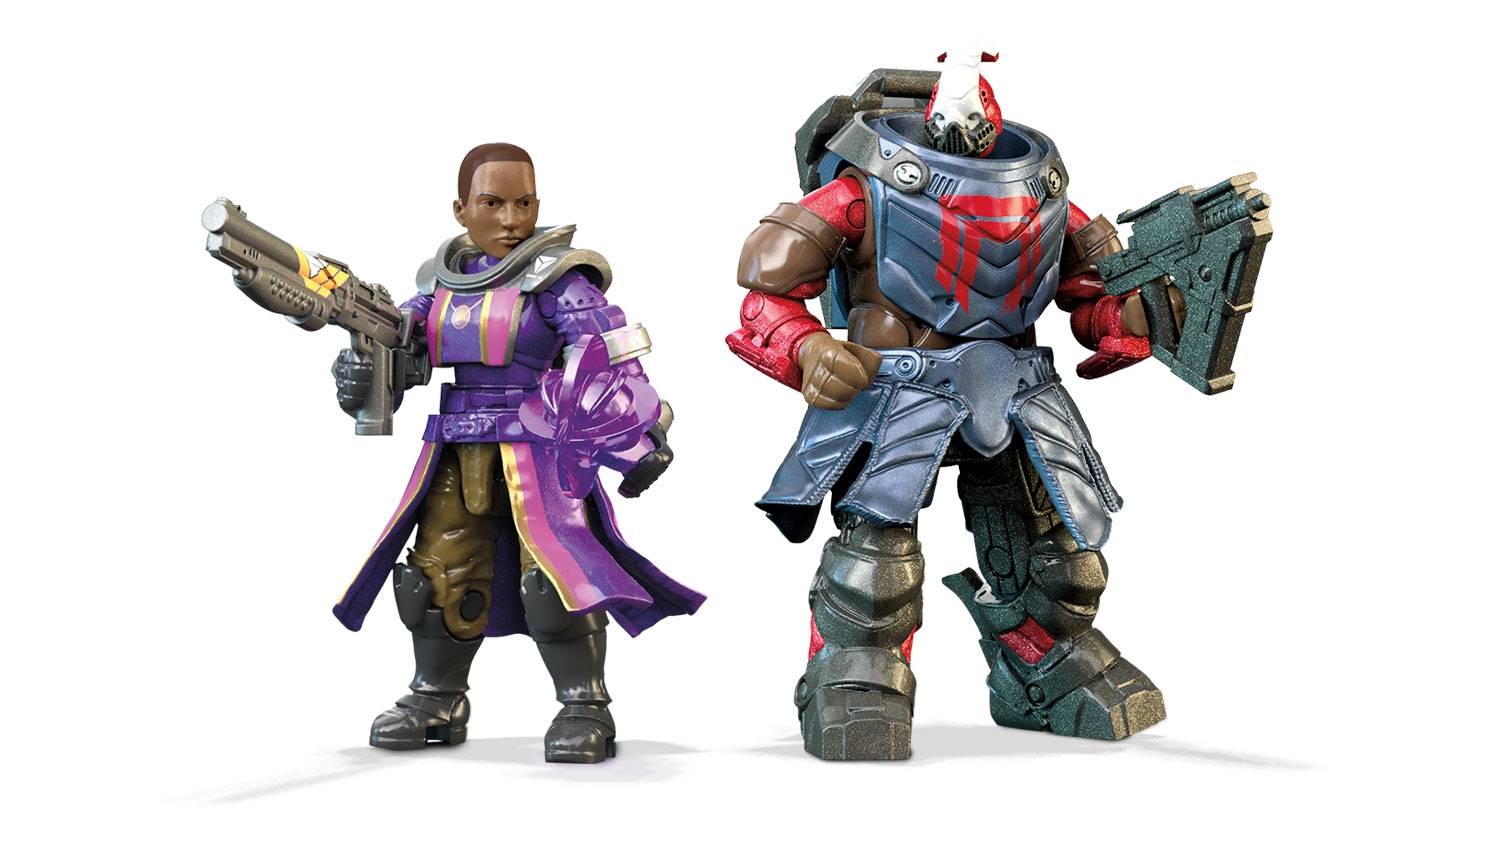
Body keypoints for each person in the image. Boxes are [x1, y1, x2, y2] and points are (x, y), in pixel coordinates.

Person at [334, 142, 703, 764]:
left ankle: (585, 704)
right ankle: (437, 697)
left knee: (556, 575)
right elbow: (396, 357)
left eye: (524, 203)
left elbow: (609, 358)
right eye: (492, 203)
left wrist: (638, 436)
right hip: (457, 446)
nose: (511, 219)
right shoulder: (438, 288)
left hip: (543, 447)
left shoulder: (559, 282)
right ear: (461, 210)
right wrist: (359, 371)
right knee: (435, 575)